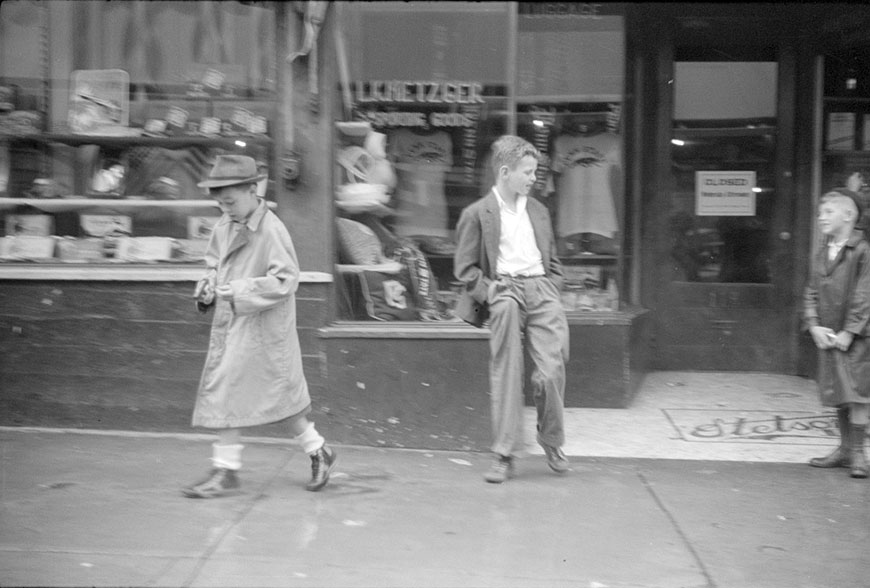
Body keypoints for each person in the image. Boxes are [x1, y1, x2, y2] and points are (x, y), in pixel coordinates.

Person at [184, 154, 336, 498]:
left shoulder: (272, 229)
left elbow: (286, 280)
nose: (227, 209)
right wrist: (207, 286)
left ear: (254, 190)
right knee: (249, 392)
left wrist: (237, 290)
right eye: (221, 204)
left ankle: (230, 470)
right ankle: (312, 451)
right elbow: (213, 264)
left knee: (270, 394)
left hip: (264, 326)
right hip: (235, 323)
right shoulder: (225, 225)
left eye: (232, 201)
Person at [453, 135, 570, 483]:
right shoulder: (476, 214)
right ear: (505, 172)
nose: (535, 178)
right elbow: (464, 269)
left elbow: (553, 259)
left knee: (551, 371)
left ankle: (551, 439)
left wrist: (554, 285)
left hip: (541, 289)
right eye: (528, 172)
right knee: (507, 369)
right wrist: (490, 290)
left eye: (535, 171)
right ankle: (504, 453)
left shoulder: (538, 210)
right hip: (504, 290)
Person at [803, 188, 870, 479]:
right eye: (820, 213)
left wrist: (850, 331)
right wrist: (814, 323)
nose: (821, 218)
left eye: (828, 212)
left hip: (856, 337)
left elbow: (865, 295)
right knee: (839, 392)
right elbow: (811, 290)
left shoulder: (863, 251)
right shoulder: (823, 251)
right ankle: (844, 450)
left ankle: (858, 454)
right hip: (830, 334)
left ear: (849, 215)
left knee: (857, 395)